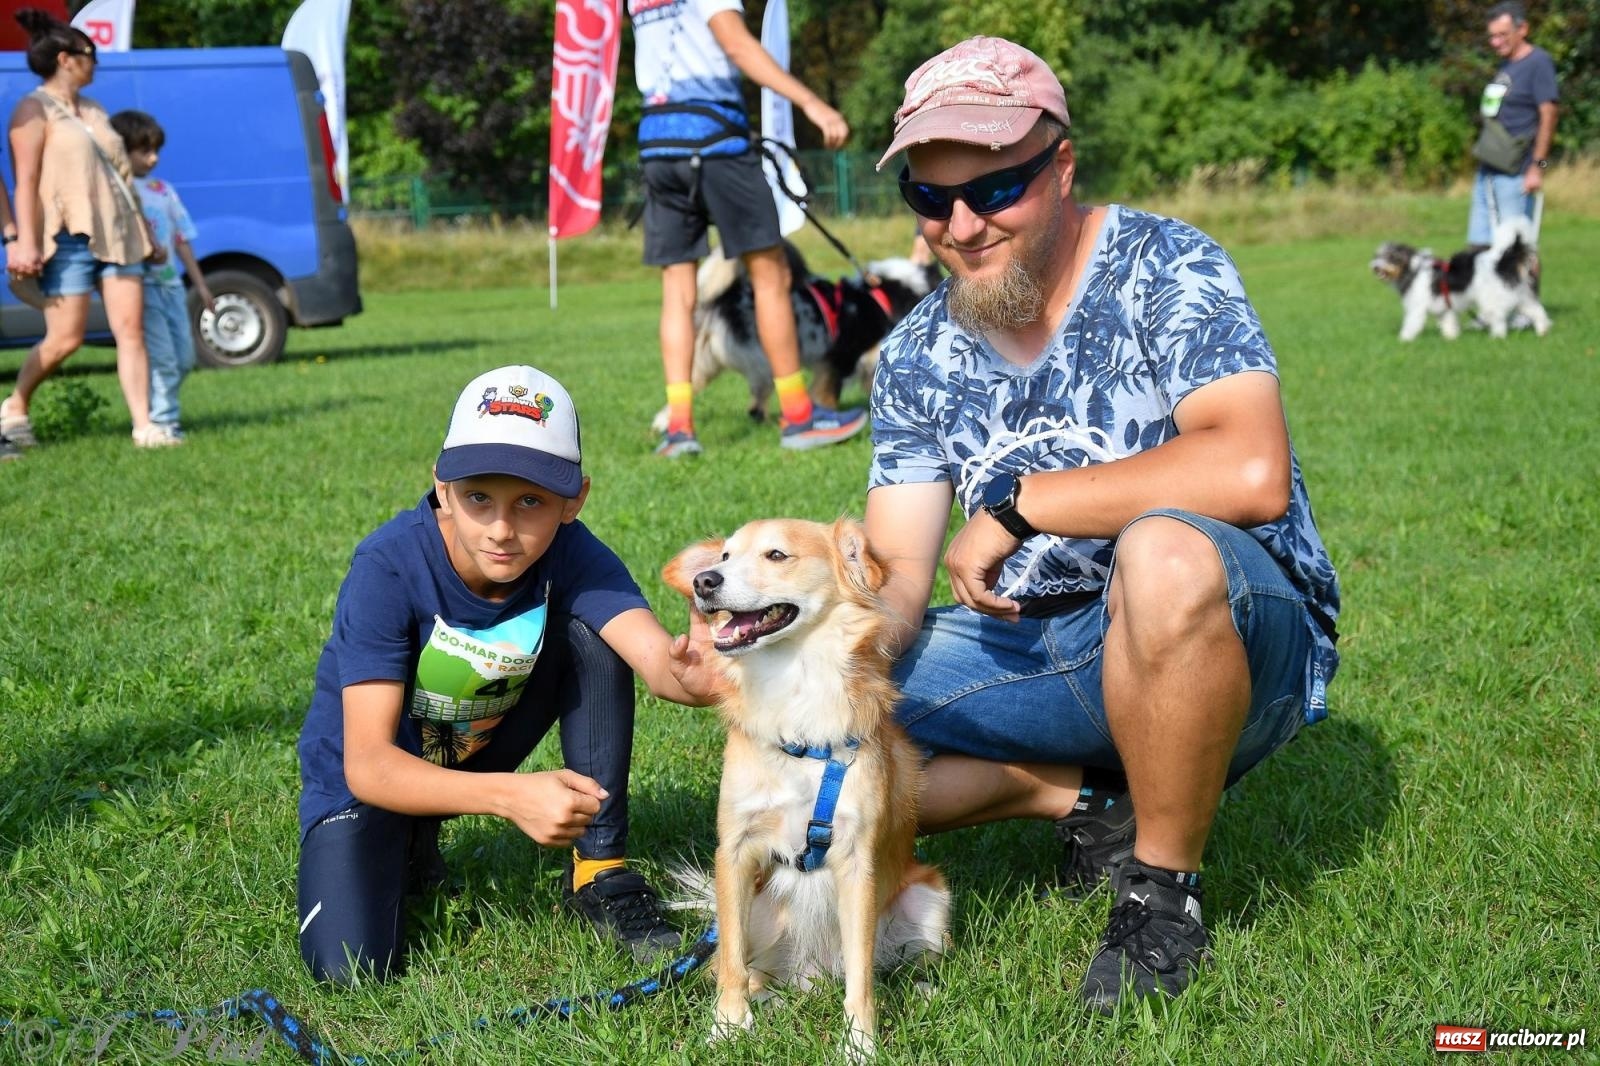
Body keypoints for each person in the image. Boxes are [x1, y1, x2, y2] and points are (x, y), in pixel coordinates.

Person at [864, 37, 1340, 1013]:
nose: (961, 225)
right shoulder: (913, 353)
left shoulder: (1165, 265)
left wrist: (1023, 503)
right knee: (822, 702)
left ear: (1063, 167)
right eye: (930, 198)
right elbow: (900, 569)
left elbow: (1250, 469)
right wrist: (799, 641)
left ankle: (1160, 898)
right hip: (1034, 645)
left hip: (1226, 630)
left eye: (995, 190)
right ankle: (1084, 797)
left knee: (1161, 552)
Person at [296, 364, 720, 983]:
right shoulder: (386, 565)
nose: (501, 528)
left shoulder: (572, 552)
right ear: (442, 488)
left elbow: (660, 664)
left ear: (574, 501)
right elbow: (368, 764)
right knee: (349, 970)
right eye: (479, 499)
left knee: (591, 633)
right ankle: (404, 836)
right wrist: (511, 797)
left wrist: (697, 675)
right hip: (369, 780)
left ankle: (600, 871)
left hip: (474, 746)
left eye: (530, 502)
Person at [628, 0, 864, 457]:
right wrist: (812, 103)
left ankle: (679, 429)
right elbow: (735, 43)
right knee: (771, 273)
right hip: (716, 142)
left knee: (677, 290)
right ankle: (799, 416)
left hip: (657, 145)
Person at [1, 9, 168, 449]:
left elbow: (122, 177)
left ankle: (144, 426)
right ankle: (16, 404)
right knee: (66, 338)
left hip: (119, 232)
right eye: (90, 54)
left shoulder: (95, 109)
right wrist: (24, 241)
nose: (96, 62)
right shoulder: (33, 110)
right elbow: (26, 181)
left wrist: (147, 234)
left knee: (130, 330)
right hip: (68, 236)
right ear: (65, 59)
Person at [110, 109, 215, 443]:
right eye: (144, 151)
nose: (153, 158)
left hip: (172, 287)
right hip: (143, 288)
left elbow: (181, 239)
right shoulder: (119, 190)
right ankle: (163, 421)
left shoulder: (163, 190)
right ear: (123, 150)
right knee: (164, 358)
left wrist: (201, 285)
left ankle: (158, 409)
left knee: (184, 357)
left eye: (156, 150)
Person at [1469, 1, 1559, 246]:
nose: (1495, 42)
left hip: (1515, 175)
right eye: (1492, 36)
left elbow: (1549, 114)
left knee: (1517, 252)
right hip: (1488, 169)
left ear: (1523, 29)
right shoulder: (1506, 65)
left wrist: (1538, 167)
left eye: (1502, 35)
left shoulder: (1538, 62)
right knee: (1479, 247)